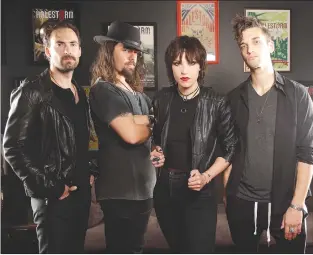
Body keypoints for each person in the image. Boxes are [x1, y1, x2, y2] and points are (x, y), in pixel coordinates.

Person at [224, 15, 313, 253]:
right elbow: (228, 150)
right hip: (243, 202)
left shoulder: (298, 96)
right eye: (243, 46)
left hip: (286, 202)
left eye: (256, 42)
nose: (249, 50)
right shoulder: (233, 99)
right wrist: (229, 196)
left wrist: (297, 205)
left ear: (271, 45)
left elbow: (307, 154)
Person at [2, 21, 97, 253]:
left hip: (81, 195)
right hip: (52, 198)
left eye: (73, 44)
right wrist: (51, 187)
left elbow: (80, 140)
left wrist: (90, 171)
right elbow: (12, 147)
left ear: (80, 51)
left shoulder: (79, 92)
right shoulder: (31, 92)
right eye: (60, 44)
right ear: (47, 51)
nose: (68, 50)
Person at [150, 35, 238, 253]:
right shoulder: (161, 99)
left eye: (191, 63)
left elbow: (230, 149)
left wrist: (206, 176)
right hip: (165, 190)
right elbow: (152, 139)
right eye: (177, 63)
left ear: (200, 67)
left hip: (200, 190)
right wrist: (154, 151)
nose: (184, 70)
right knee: (178, 249)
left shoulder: (217, 102)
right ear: (171, 67)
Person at [89, 21, 156, 254]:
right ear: (109, 50)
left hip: (144, 190)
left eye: (135, 51)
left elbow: (145, 135)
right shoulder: (104, 89)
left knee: (135, 248)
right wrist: (152, 121)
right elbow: (130, 134)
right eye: (125, 49)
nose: (132, 57)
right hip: (119, 192)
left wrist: (151, 140)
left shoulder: (136, 92)